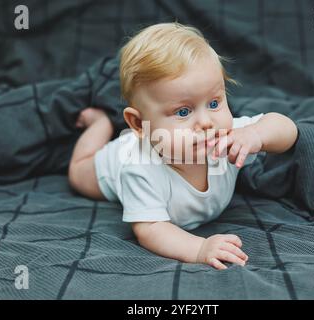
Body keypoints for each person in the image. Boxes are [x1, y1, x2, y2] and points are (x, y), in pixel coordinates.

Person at [68, 22, 298, 270]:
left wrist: (256, 134)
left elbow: (287, 129)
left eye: (213, 103)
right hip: (109, 165)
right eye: (183, 111)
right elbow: (151, 229)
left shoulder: (228, 136)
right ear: (138, 122)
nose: (206, 122)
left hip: (146, 137)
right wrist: (199, 248)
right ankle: (99, 123)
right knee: (78, 173)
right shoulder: (139, 170)